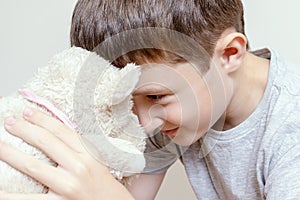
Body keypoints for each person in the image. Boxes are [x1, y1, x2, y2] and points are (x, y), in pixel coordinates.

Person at [1, 0, 300, 199]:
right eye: (128, 103)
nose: (144, 125)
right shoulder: (168, 110)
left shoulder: (290, 131)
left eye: (156, 96)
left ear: (229, 54)